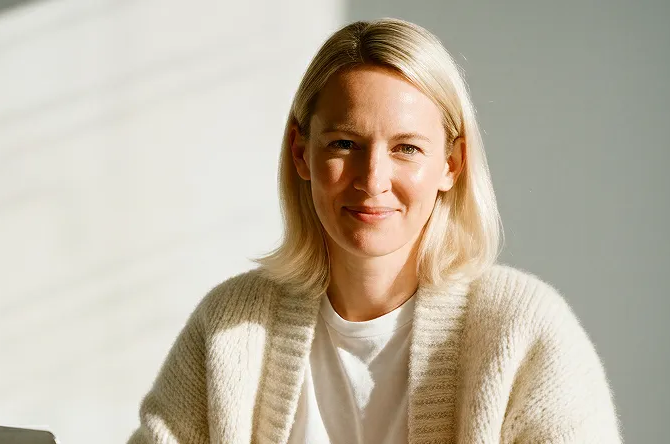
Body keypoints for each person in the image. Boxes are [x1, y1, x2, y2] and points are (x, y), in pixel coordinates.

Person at [127, 18, 622, 444]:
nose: (372, 181)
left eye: (406, 148)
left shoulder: (524, 330)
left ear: (451, 164)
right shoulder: (230, 327)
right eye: (345, 143)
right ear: (302, 153)